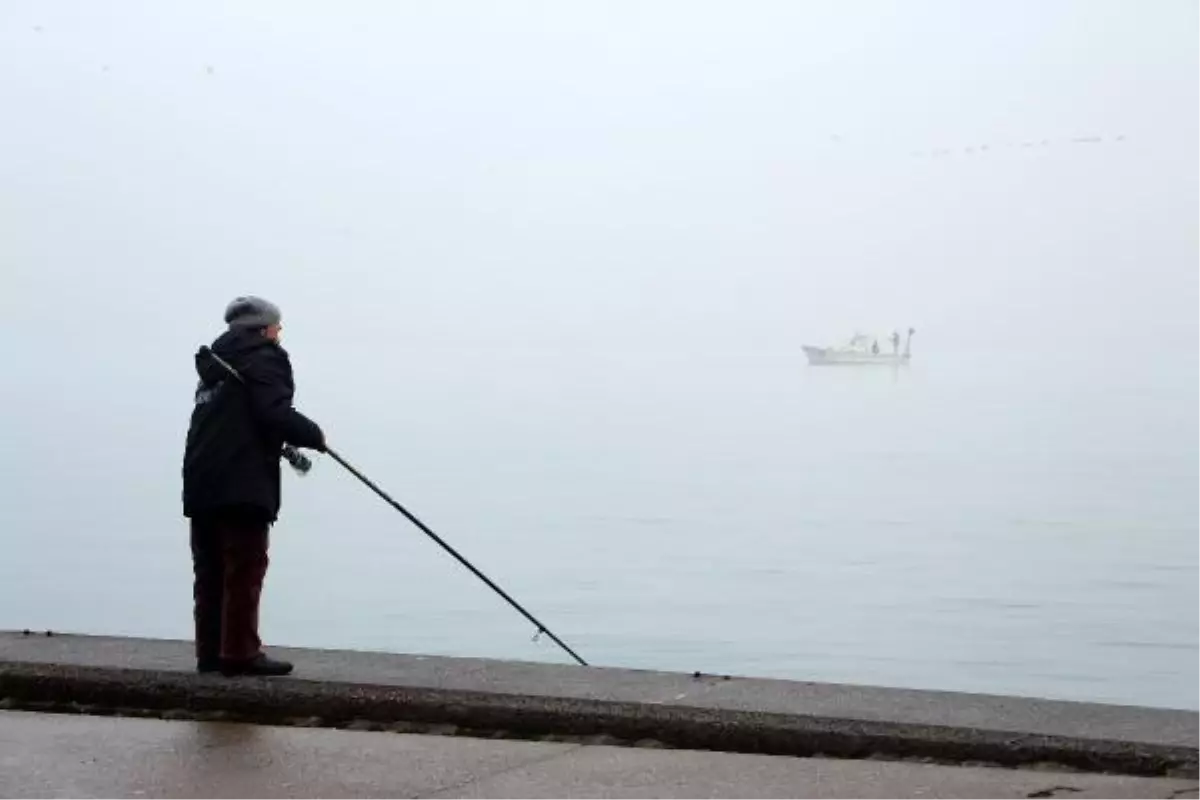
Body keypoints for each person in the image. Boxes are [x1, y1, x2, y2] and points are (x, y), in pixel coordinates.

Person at [182, 296, 326, 676]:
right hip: (241, 482)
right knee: (244, 568)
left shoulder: (215, 363)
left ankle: (210, 654)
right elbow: (273, 412)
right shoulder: (265, 356)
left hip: (201, 480)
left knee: (210, 571)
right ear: (263, 329)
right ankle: (241, 654)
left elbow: (242, 417)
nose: (280, 334)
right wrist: (314, 435)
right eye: (277, 327)